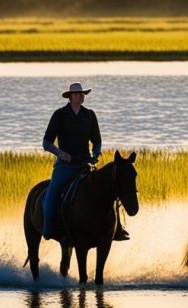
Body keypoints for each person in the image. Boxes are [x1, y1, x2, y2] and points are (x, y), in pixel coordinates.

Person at [41, 82, 129, 242]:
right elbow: (46, 143)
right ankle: (48, 228)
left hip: (84, 165)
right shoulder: (59, 115)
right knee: (53, 192)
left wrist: (96, 153)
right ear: (71, 96)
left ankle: (117, 229)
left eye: (83, 94)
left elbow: (97, 141)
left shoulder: (90, 115)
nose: (82, 96)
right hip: (65, 166)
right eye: (78, 94)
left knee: (108, 190)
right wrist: (61, 154)